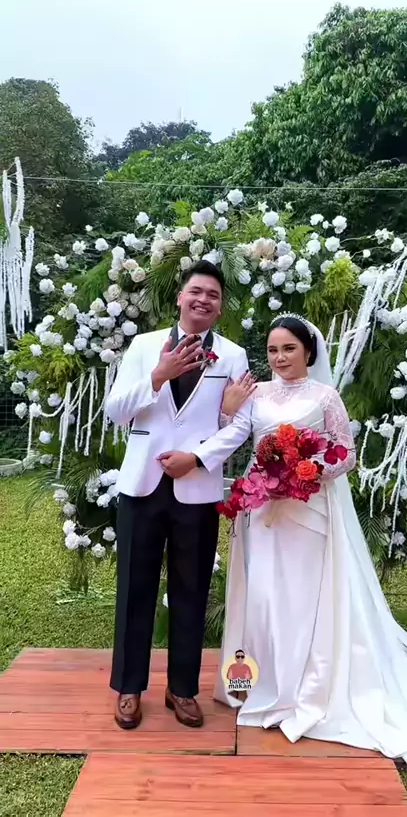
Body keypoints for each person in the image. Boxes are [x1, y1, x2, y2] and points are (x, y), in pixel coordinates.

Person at [214, 313, 407, 773]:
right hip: (263, 510)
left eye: (289, 349)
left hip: (308, 511)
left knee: (304, 596)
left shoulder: (325, 396)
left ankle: (309, 687)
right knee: (263, 595)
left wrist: (306, 472)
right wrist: (229, 414)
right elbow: (234, 439)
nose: (280, 358)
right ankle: (262, 683)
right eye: (273, 350)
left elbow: (346, 454)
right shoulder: (256, 395)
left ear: (308, 351)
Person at [105, 260, 253, 730]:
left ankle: (182, 689)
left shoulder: (232, 355)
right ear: (180, 298)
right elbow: (115, 410)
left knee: (191, 589)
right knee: (135, 588)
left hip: (197, 488)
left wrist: (199, 457)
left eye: (213, 294)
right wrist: (157, 376)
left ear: (220, 307)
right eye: (196, 291)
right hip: (142, 485)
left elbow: (241, 425)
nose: (203, 299)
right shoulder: (144, 346)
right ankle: (129, 687)